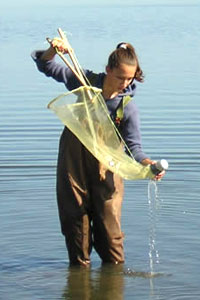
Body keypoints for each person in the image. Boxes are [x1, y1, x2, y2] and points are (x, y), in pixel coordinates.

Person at [31, 37, 165, 266]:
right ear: (108, 70)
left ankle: (112, 284)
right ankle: (79, 280)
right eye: (120, 77)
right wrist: (53, 50)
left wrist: (147, 163)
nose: (124, 83)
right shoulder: (84, 83)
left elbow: (134, 147)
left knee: (110, 234)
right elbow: (47, 66)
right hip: (73, 166)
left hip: (108, 170)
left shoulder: (127, 107)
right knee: (75, 227)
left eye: (129, 79)